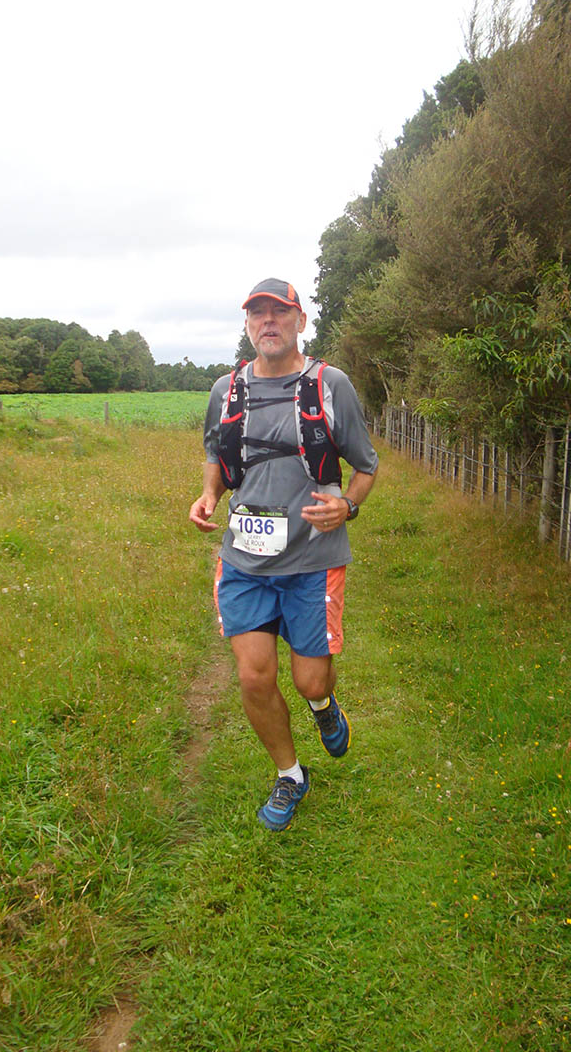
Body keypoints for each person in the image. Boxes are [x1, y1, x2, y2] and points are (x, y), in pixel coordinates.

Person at [189, 278, 379, 831]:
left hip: (313, 561)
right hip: (244, 560)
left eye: (279, 312)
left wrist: (348, 505)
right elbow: (216, 455)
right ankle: (290, 775)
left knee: (310, 681)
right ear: (248, 324)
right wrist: (208, 495)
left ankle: (324, 707)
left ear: (300, 321)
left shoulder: (330, 385)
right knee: (253, 677)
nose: (267, 322)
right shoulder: (226, 390)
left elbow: (365, 466)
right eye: (258, 314)